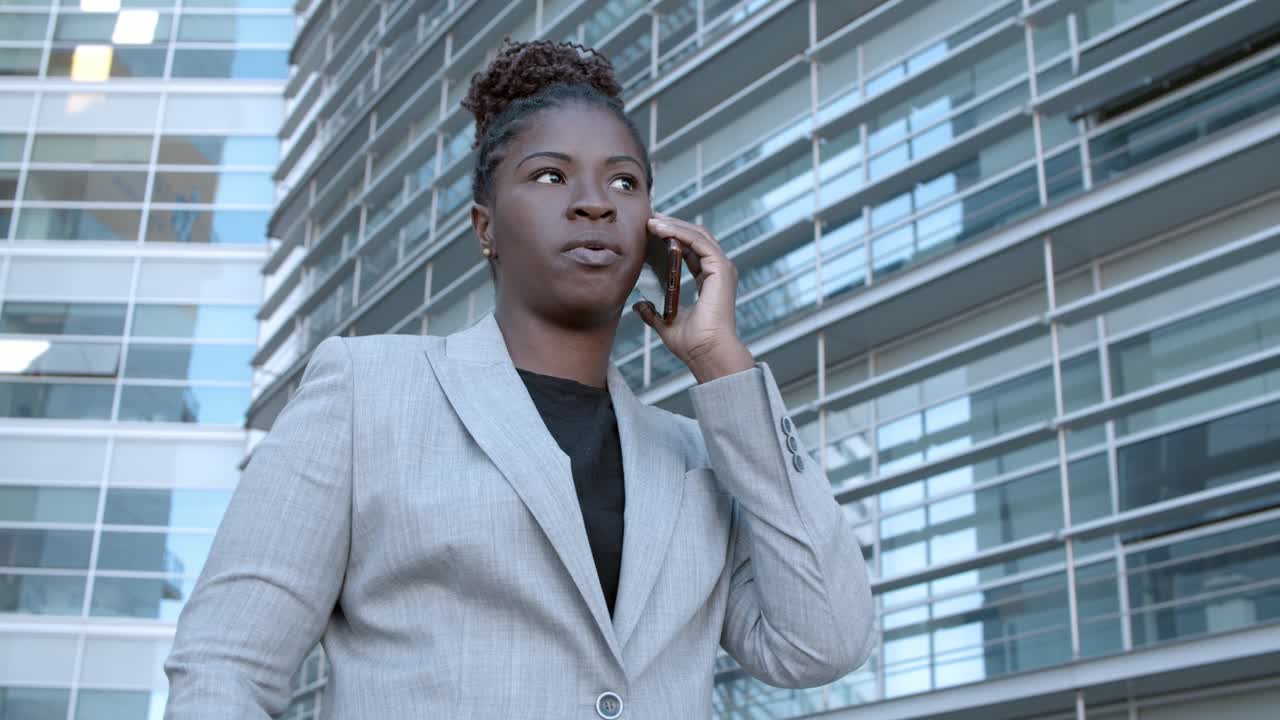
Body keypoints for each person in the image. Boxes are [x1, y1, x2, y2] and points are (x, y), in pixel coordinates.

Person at [164, 38, 873, 719]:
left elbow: (825, 643)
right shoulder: (366, 391)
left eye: (623, 182)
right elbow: (226, 666)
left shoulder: (699, 457)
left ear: (654, 228)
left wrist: (724, 365)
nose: (595, 202)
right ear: (485, 227)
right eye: (549, 175)